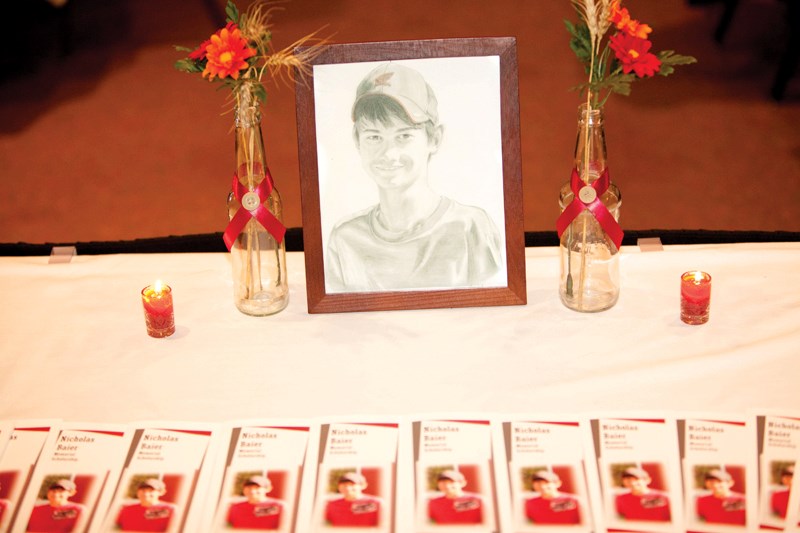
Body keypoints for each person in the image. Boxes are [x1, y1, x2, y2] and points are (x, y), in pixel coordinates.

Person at [325, 62, 503, 293]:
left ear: (435, 138)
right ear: (356, 140)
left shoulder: (471, 229)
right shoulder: (345, 239)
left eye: (404, 135)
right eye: (374, 137)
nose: (389, 154)